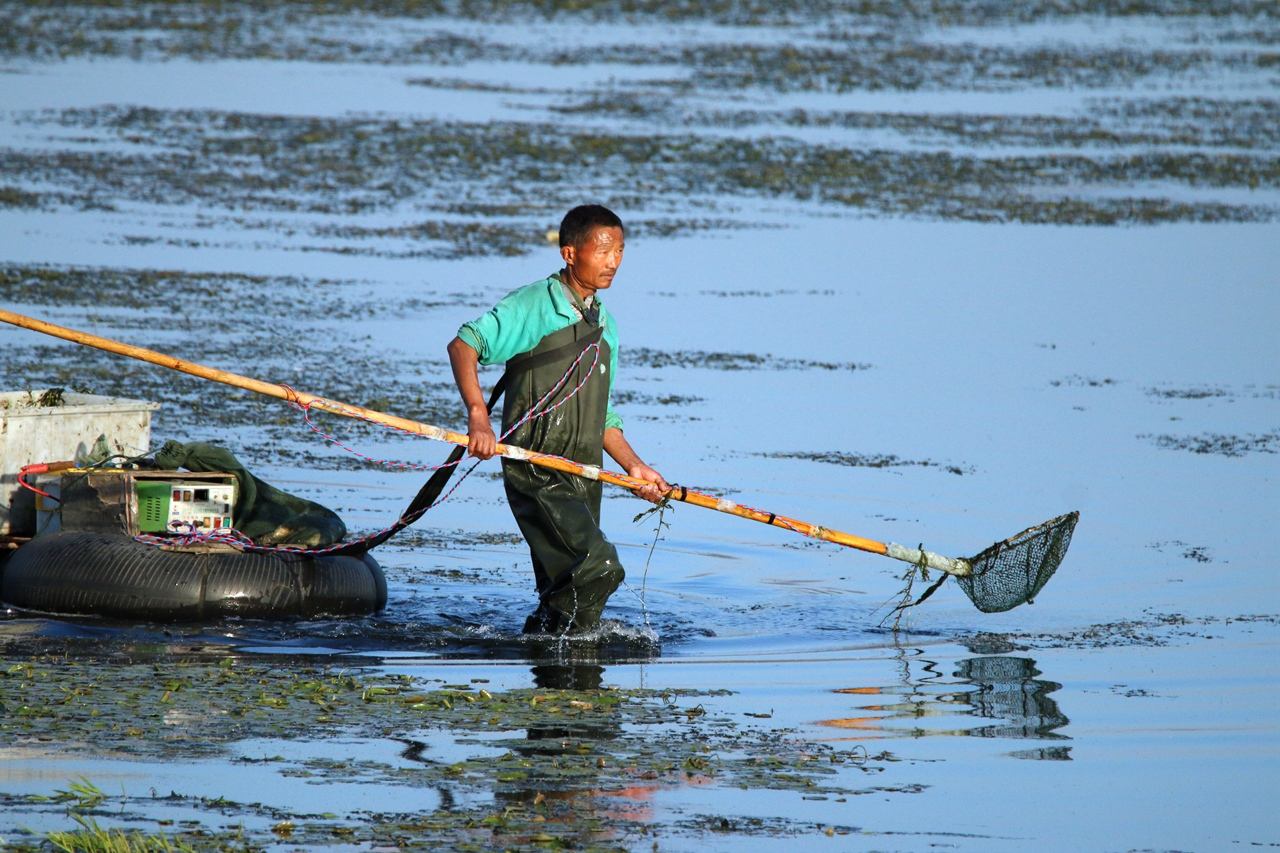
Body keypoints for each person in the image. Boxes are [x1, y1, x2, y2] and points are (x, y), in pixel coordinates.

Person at [447, 204, 669, 634]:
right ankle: (571, 674)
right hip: (538, 471)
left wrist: (635, 467)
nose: (613, 262)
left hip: (585, 475)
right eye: (603, 251)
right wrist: (479, 418)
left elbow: (602, 414)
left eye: (620, 251)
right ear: (569, 254)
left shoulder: (606, 325)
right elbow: (464, 345)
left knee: (564, 589)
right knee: (598, 568)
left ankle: (552, 665)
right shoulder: (534, 305)